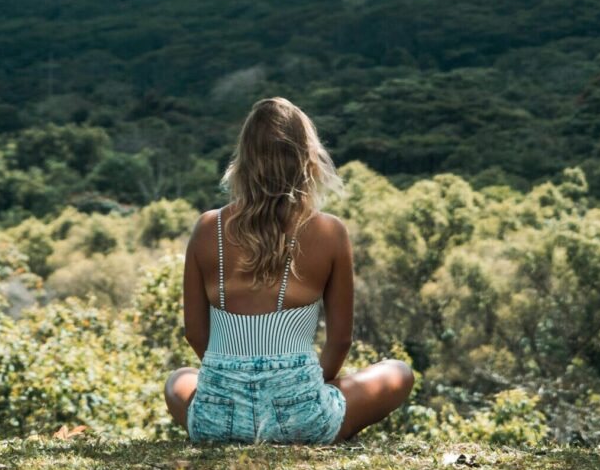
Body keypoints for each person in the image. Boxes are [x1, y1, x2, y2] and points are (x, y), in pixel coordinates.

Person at [164, 97, 414, 443]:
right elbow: (340, 340)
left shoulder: (208, 227)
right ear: (307, 159)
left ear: (244, 159)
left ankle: (233, 423)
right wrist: (295, 390)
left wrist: (234, 380)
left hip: (217, 419)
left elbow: (194, 332)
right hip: (302, 418)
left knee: (178, 379)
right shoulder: (329, 231)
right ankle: (308, 422)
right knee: (398, 372)